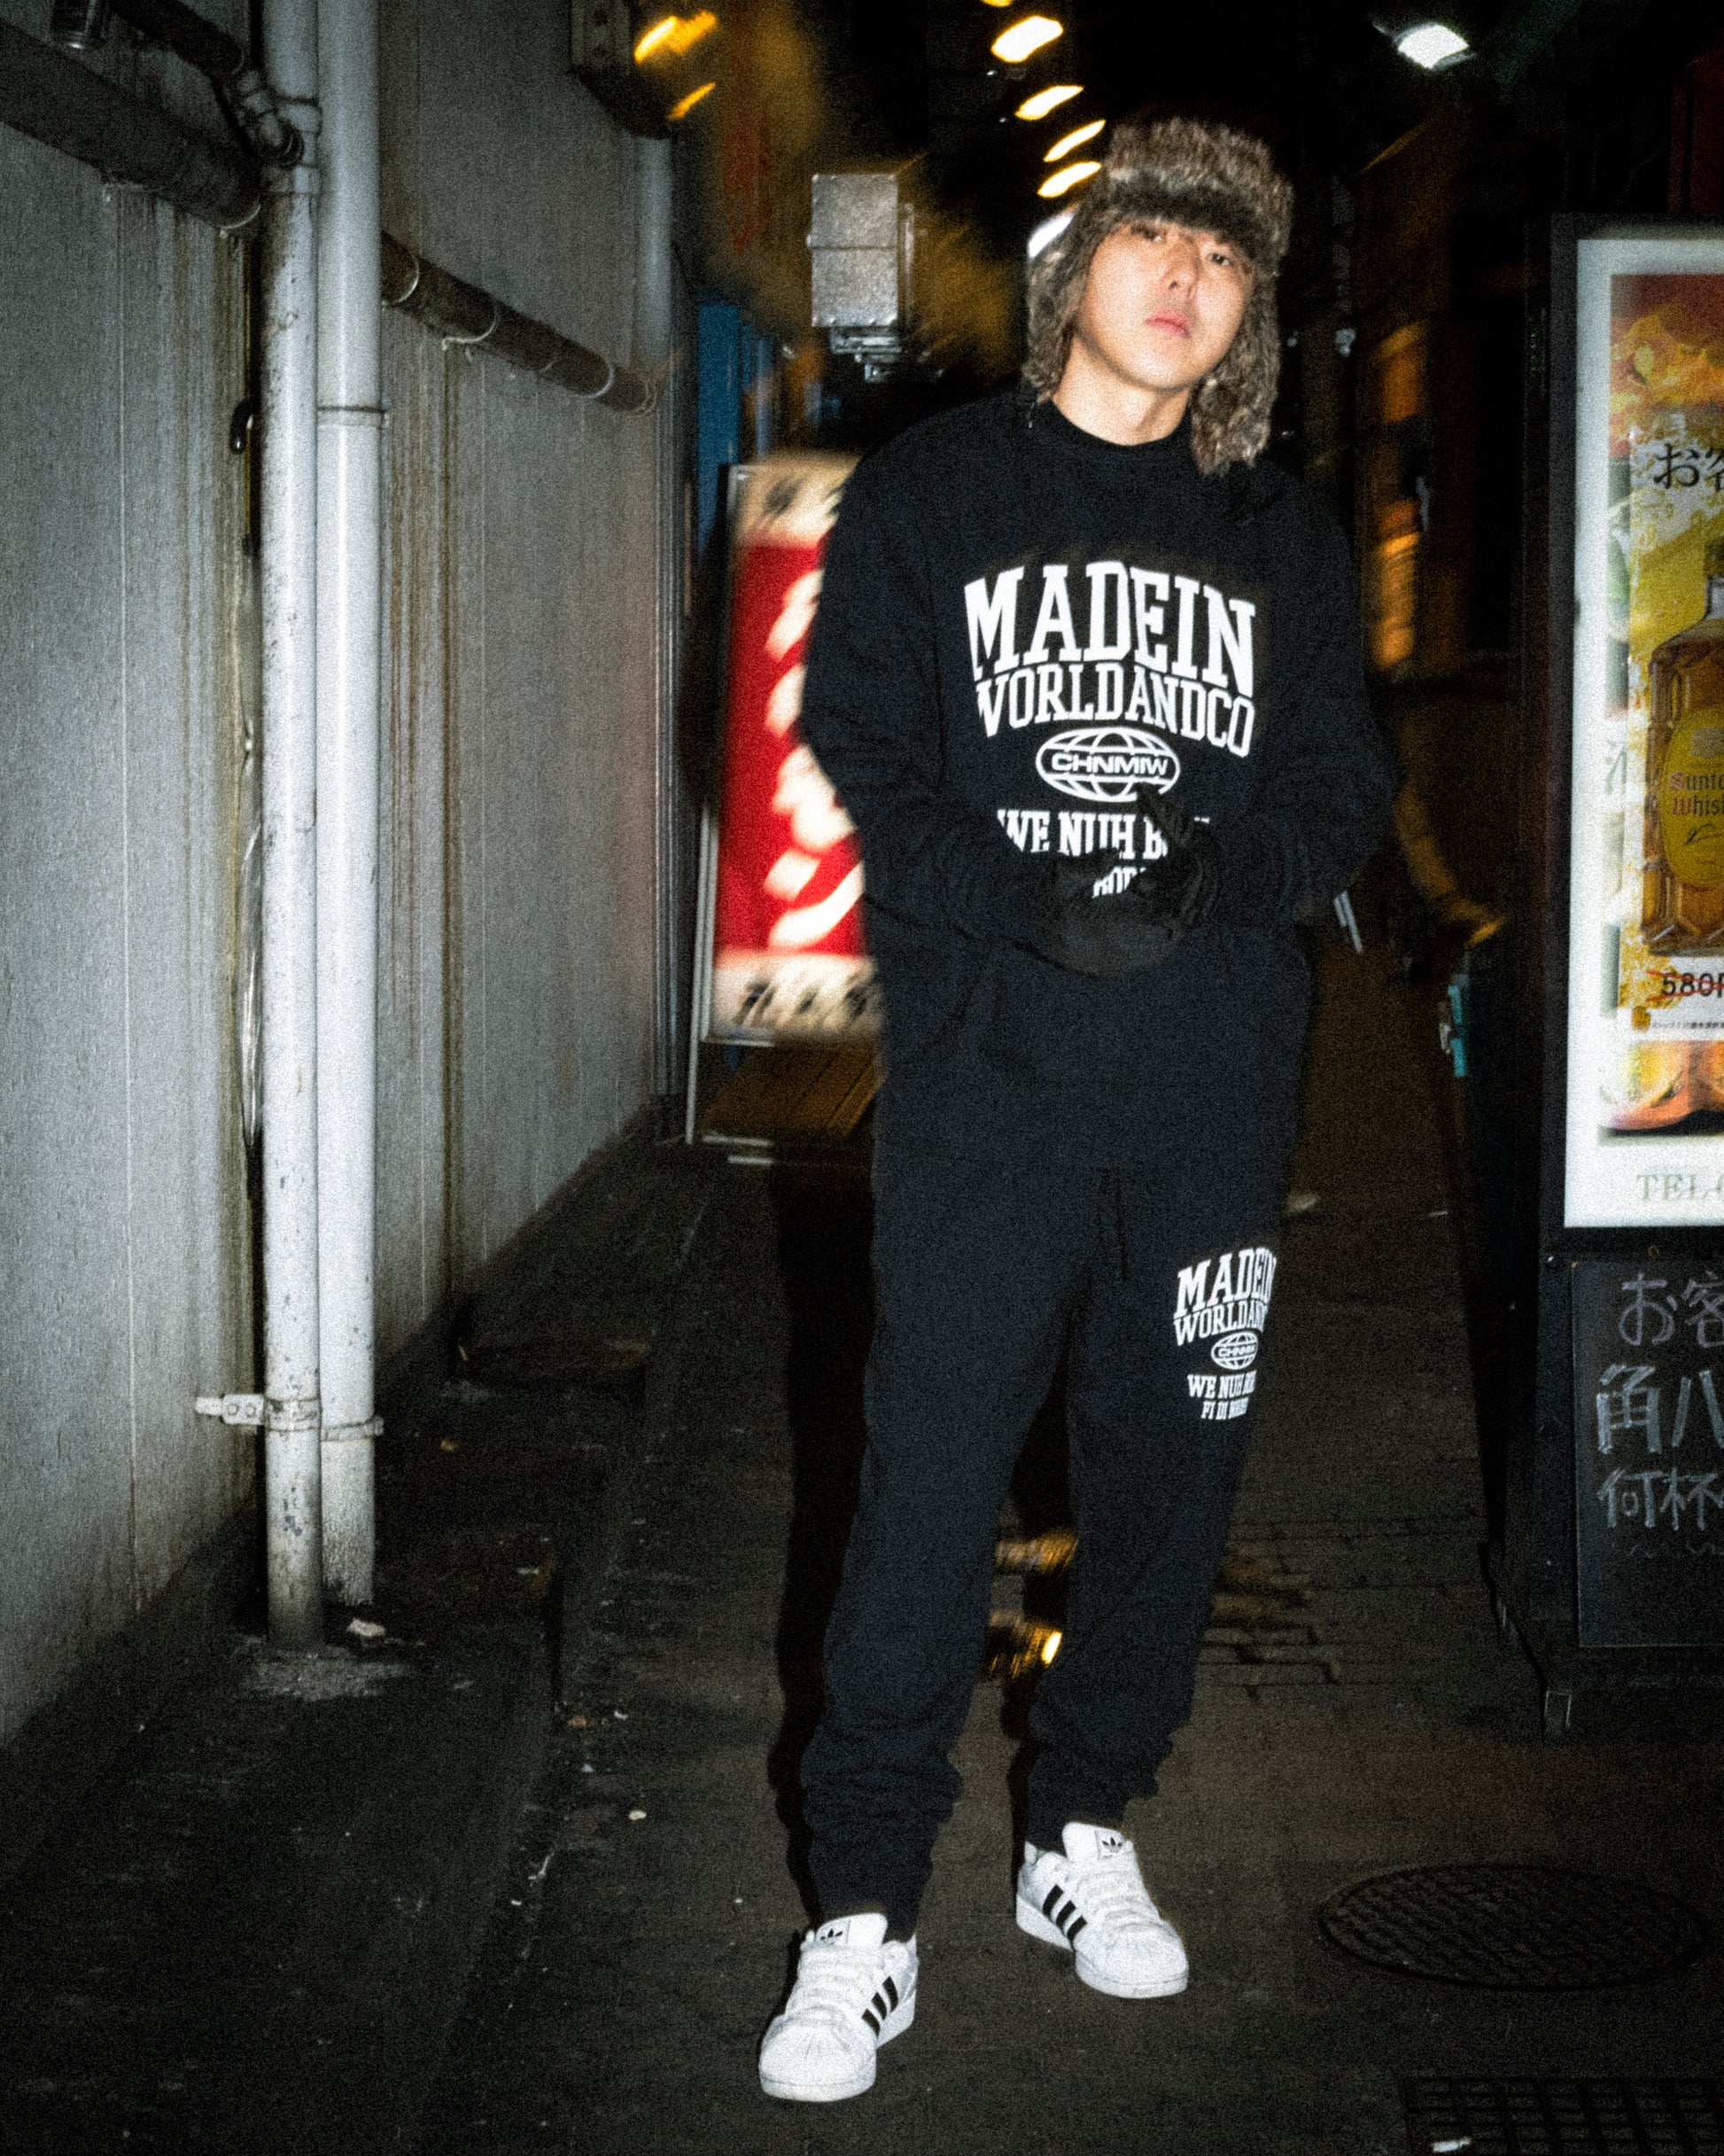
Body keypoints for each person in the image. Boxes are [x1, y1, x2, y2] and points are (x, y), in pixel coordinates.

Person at [757, 117, 1394, 2105]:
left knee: (1167, 1480)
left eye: (1223, 256)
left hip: (1207, 1095)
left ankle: (1082, 1824)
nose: (1185, 277)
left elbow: (1340, 782)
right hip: (988, 1089)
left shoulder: (1280, 532)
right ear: (1075, 273)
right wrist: (1020, 897)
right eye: (1151, 238)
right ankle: (864, 1908)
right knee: (927, 1484)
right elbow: (858, 729)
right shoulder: (941, 490)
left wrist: (1215, 880)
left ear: (1247, 314)